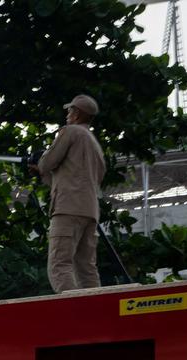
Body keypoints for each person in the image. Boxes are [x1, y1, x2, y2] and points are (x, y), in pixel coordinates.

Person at [33, 94, 106, 293]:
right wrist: (43, 174)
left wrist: (39, 162)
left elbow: (48, 163)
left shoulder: (70, 132)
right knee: (86, 268)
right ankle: (96, 310)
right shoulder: (94, 145)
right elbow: (72, 178)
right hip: (89, 211)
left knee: (59, 264)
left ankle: (75, 310)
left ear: (78, 114)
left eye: (70, 110)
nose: (67, 114)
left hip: (67, 209)